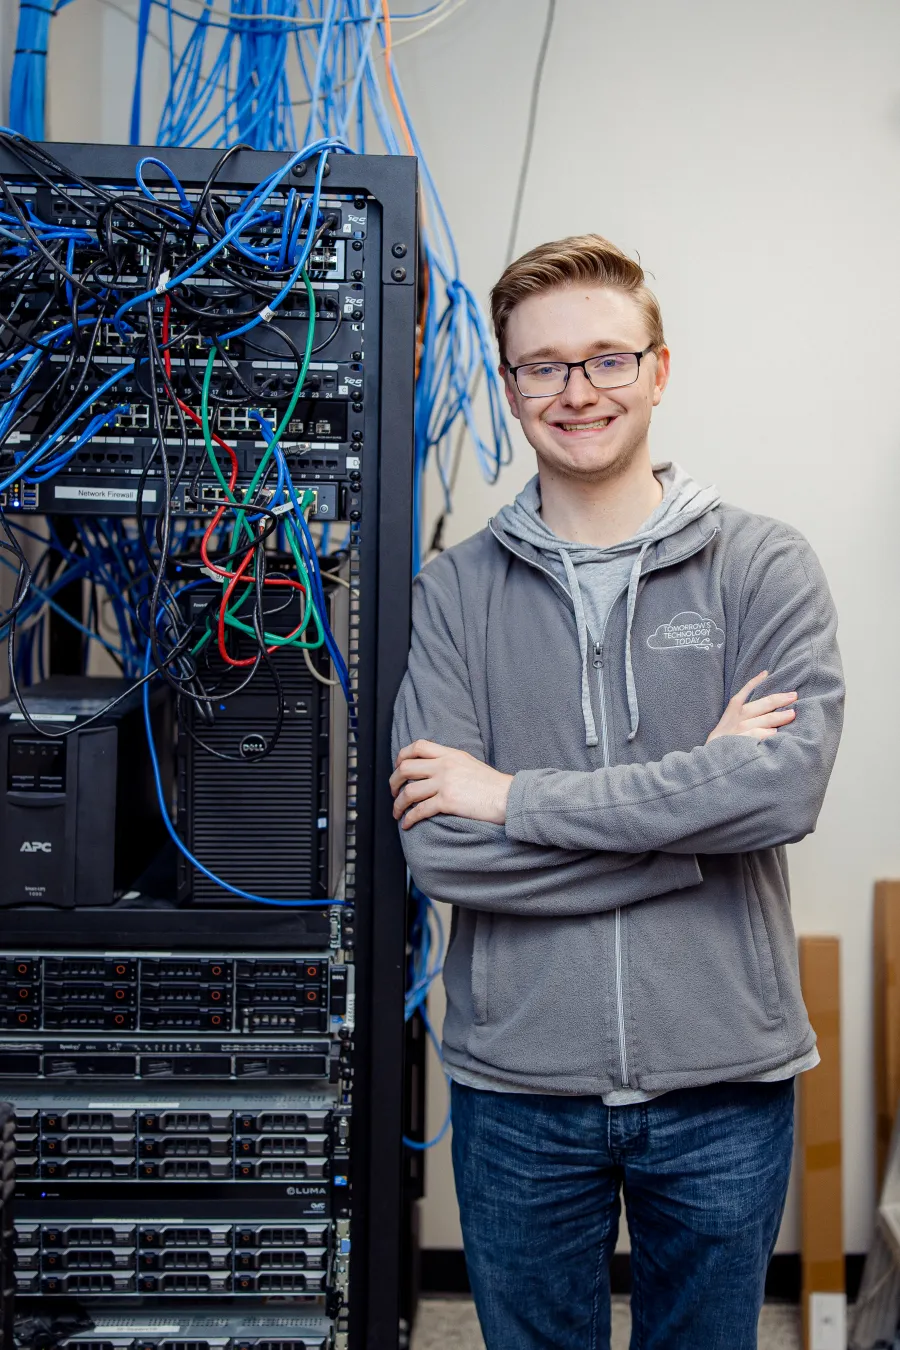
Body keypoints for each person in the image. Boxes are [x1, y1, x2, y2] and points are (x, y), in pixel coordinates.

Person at [389, 234, 844, 1350]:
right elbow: (442, 852)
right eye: (542, 365)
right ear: (508, 386)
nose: (576, 391)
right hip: (520, 1085)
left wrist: (514, 799)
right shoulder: (452, 594)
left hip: (723, 1078)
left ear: (659, 369)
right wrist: (694, 824)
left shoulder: (761, 567)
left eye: (606, 358)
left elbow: (780, 795)